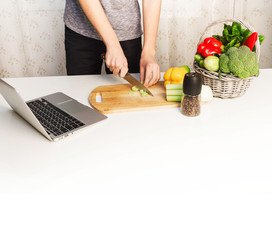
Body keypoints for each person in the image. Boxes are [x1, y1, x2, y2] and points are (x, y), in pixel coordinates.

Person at [64, 0, 161, 88]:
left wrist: (148, 52)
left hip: (127, 32)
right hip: (81, 30)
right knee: (79, 92)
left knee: (128, 98)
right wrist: (113, 45)